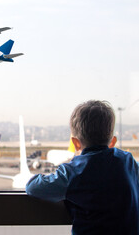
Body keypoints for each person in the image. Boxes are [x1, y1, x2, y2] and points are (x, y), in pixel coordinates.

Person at [26, 100, 139, 235]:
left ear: (76, 144)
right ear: (113, 142)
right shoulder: (128, 161)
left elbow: (32, 187)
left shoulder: (73, 171)